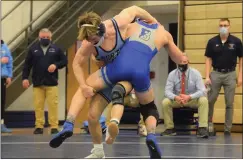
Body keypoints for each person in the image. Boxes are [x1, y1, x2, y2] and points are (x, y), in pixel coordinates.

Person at [49, 5, 157, 150]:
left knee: (117, 92)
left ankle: (117, 124)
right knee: (92, 115)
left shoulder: (119, 24)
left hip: (127, 76)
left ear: (101, 30)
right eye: (89, 40)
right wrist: (83, 86)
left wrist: (152, 21)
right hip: (109, 75)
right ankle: (72, 127)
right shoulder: (88, 43)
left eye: (94, 39)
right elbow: (76, 63)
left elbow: (135, 9)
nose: (92, 43)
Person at [22, 28, 67, 134]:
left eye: (47, 37)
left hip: (52, 83)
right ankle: (39, 126)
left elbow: (64, 61)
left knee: (53, 105)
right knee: (38, 106)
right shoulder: (33, 49)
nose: (45, 39)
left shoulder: (56, 49)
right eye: (43, 37)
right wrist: (24, 78)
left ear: (51, 38)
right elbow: (27, 65)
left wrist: (56, 65)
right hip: (37, 83)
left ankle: (54, 126)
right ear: (39, 38)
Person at [205, 18, 243, 135]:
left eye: (225, 25)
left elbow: (241, 58)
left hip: (230, 74)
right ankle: (208, 125)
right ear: (218, 26)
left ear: (229, 26)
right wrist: (207, 76)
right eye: (221, 25)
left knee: (229, 103)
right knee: (210, 100)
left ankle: (227, 129)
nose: (223, 27)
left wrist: (240, 75)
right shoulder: (212, 41)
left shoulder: (236, 41)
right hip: (215, 74)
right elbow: (208, 59)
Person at [161, 55, 209, 138]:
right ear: (177, 63)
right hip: (178, 99)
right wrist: (175, 97)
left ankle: (202, 128)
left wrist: (189, 97)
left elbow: (203, 91)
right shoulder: (172, 74)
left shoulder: (195, 73)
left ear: (188, 62)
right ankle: (169, 128)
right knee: (165, 102)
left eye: (184, 62)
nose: (182, 64)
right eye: (180, 62)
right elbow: (167, 91)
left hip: (191, 99)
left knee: (203, 100)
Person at [1, 39, 13, 133]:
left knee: (2, 102)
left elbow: (9, 62)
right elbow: (3, 61)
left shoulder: (5, 47)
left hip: (2, 78)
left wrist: (9, 75)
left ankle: (1, 124)